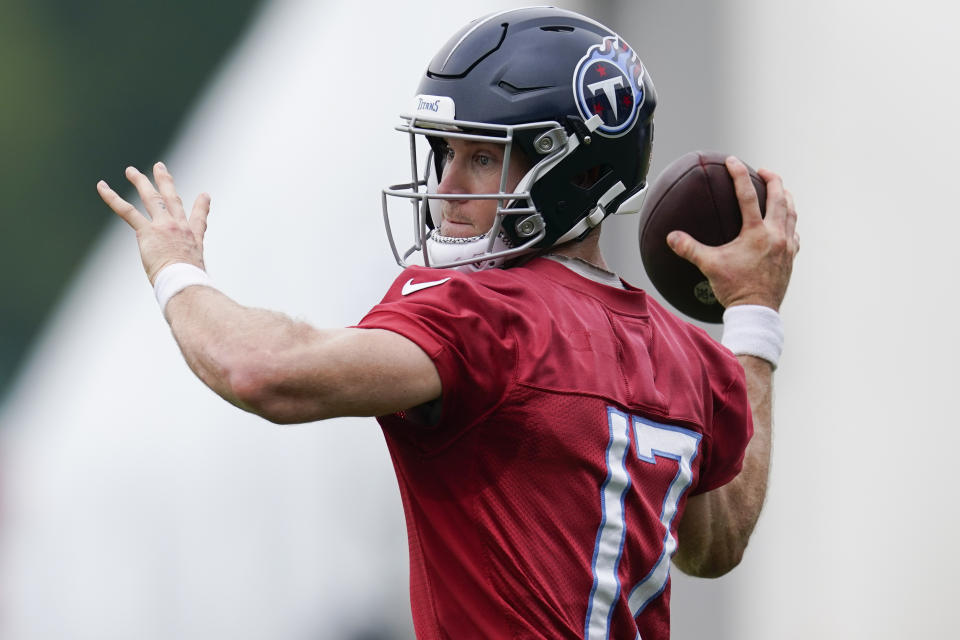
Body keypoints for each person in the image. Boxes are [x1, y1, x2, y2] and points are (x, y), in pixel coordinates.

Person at [97, 7, 798, 639]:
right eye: (444, 153)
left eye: (483, 157)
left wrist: (176, 268)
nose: (446, 187)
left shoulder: (486, 317)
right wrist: (754, 319)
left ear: (578, 172)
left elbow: (260, 371)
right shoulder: (688, 359)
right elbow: (717, 542)